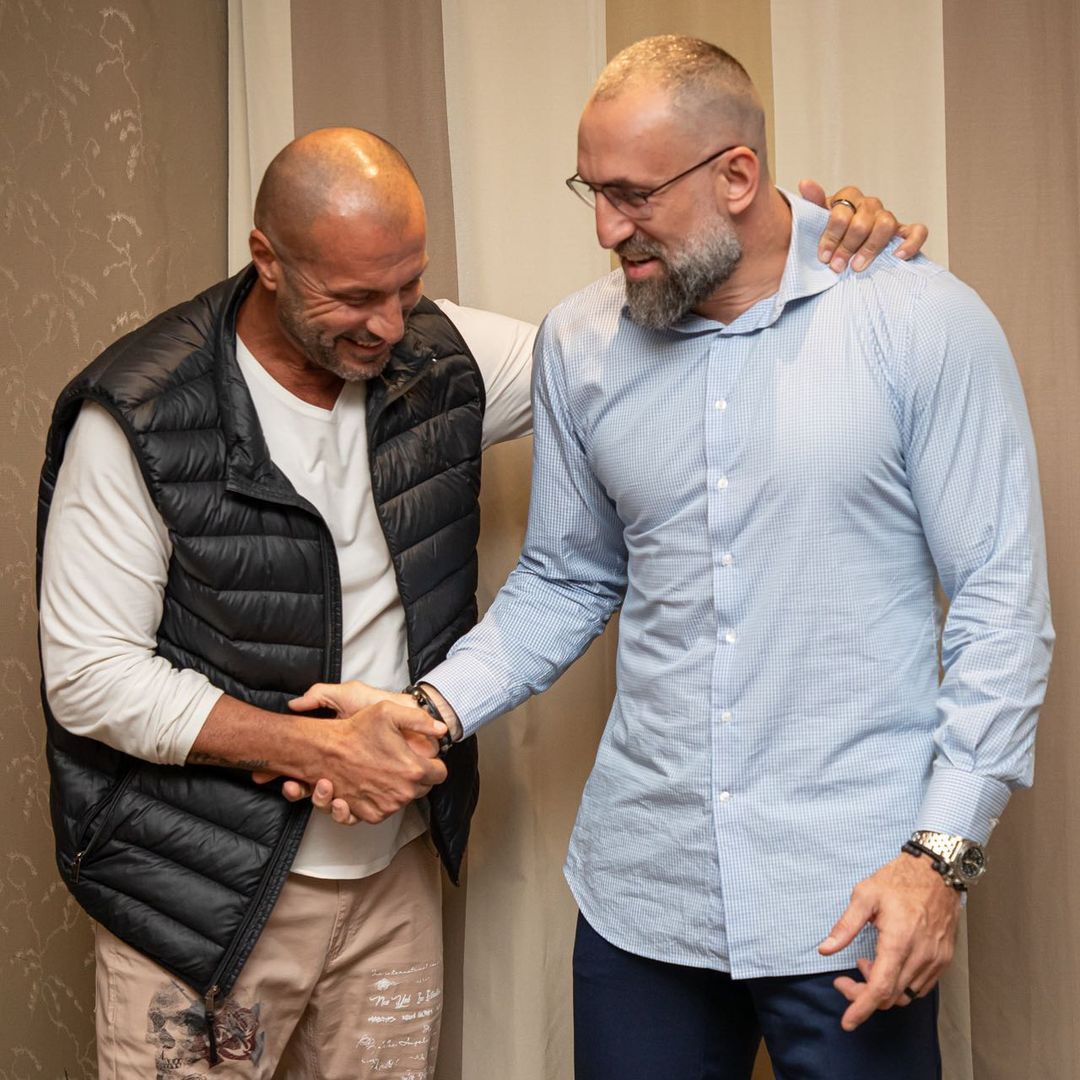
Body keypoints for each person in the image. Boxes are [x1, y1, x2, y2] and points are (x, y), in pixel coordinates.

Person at [37, 123, 920, 1078]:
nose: (387, 326)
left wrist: (802, 246)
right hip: (197, 897)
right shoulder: (140, 413)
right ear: (268, 260)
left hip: (392, 878)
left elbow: (624, 368)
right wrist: (313, 748)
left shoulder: (438, 353)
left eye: (407, 287)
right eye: (354, 297)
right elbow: (89, 677)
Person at [304, 37, 1053, 1080]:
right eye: (593, 192)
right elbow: (567, 576)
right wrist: (429, 708)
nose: (607, 229)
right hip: (643, 900)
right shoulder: (579, 344)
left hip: (855, 897)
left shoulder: (919, 320)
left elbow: (999, 605)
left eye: (634, 195)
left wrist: (940, 860)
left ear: (737, 175)